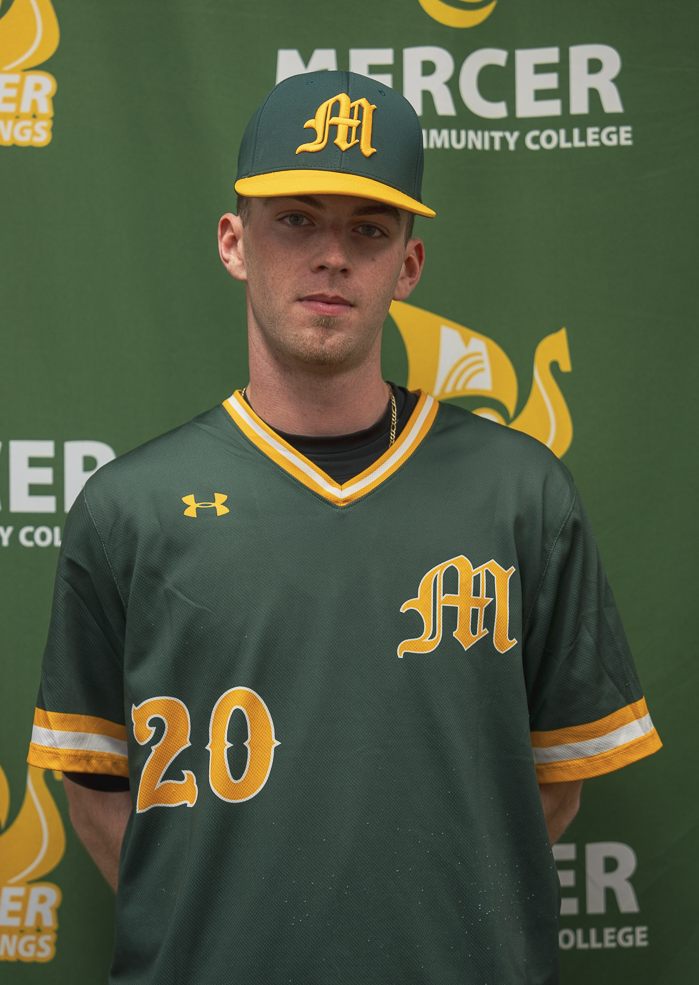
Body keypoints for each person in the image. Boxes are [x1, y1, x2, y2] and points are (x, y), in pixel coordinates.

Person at [28, 71, 661, 984]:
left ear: (408, 265)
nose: (332, 255)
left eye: (368, 229)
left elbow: (550, 785)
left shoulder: (520, 490)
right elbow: (95, 792)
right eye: (296, 220)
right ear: (234, 242)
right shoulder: (129, 506)